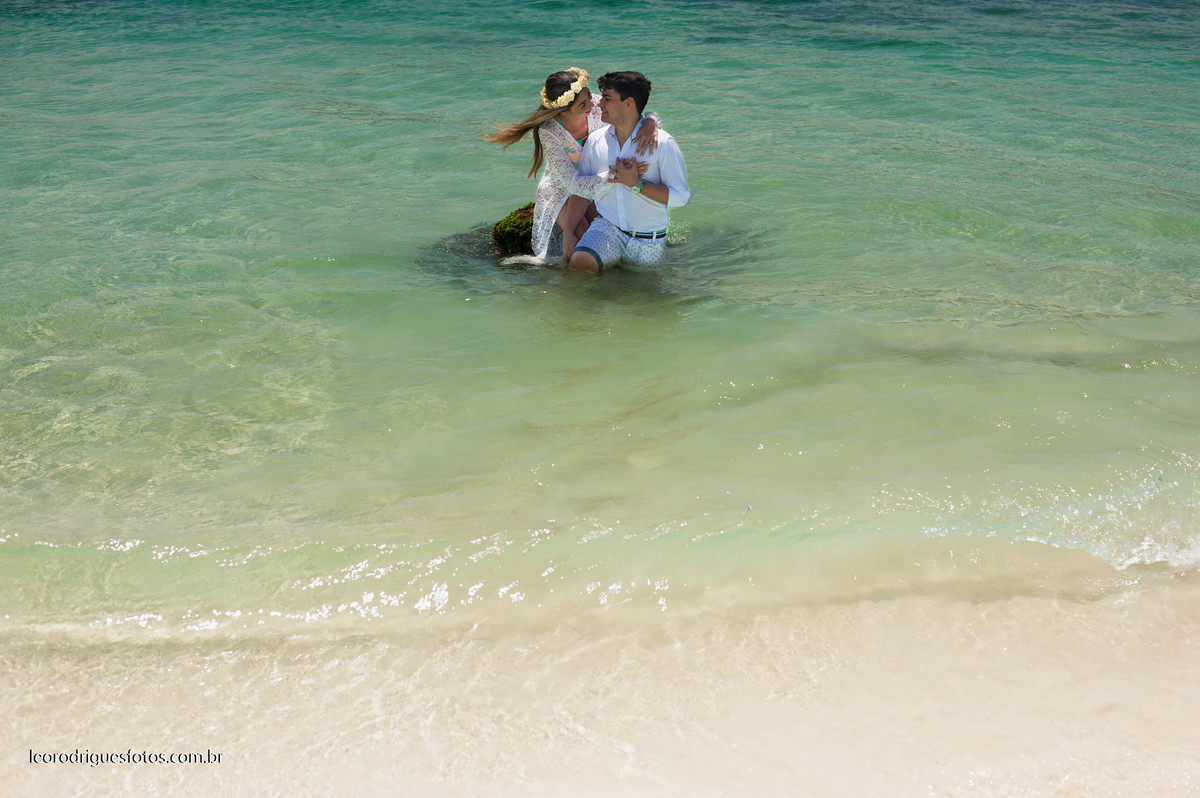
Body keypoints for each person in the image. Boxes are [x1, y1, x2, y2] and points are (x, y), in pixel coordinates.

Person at [486, 68, 659, 264]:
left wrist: (651, 121)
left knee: (609, 236)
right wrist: (614, 177)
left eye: (589, 96)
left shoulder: (593, 104)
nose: (593, 103)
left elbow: (632, 111)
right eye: (583, 104)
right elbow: (571, 182)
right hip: (564, 187)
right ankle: (573, 288)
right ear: (563, 111)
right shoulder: (549, 131)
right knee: (582, 239)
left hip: (597, 183)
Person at [568, 72, 691, 274]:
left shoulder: (663, 143)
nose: (599, 104)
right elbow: (582, 188)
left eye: (607, 98)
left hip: (648, 237)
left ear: (628, 103)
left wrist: (636, 184)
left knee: (642, 296)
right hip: (607, 228)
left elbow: (681, 197)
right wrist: (568, 233)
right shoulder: (596, 140)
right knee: (580, 263)